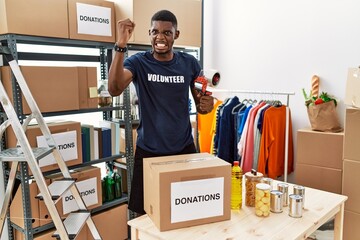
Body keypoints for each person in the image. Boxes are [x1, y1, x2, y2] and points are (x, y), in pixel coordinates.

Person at [108, 9, 214, 215]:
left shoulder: (189, 63)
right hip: (149, 151)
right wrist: (121, 45)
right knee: (145, 213)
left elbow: (201, 104)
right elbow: (114, 89)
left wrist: (206, 105)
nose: (160, 37)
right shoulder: (138, 62)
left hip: (183, 149)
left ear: (176, 35)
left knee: (187, 208)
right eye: (155, 32)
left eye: (167, 32)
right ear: (149, 33)